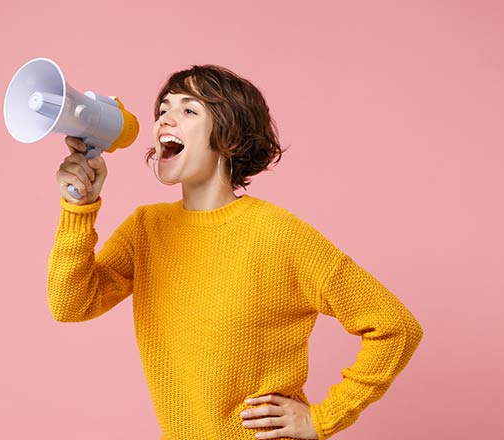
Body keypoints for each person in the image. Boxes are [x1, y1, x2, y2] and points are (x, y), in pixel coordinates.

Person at [48, 65, 423, 440]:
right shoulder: (146, 229)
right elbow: (71, 304)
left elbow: (396, 327)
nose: (165, 120)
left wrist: (323, 419)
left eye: (188, 110)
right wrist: (78, 206)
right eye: (163, 110)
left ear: (228, 135)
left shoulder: (278, 234)